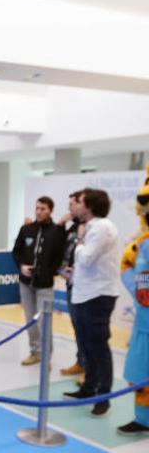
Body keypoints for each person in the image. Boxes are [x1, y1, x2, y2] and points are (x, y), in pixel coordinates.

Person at [63, 188, 121, 417]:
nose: (74, 206)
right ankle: (89, 388)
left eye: (80, 203)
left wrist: (78, 242)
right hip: (85, 293)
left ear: (90, 206)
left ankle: (103, 396)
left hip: (98, 295)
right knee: (86, 345)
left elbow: (87, 258)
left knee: (98, 347)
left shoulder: (102, 227)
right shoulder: (92, 227)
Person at [11, 196, 66, 366]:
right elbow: (16, 251)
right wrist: (21, 266)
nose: (39, 212)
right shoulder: (26, 229)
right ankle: (34, 351)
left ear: (50, 210)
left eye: (43, 209)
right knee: (30, 319)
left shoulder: (57, 232)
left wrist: (49, 272)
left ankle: (45, 356)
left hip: (45, 284)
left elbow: (60, 257)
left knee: (44, 321)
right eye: (37, 208)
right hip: (26, 283)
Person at [117, 168, 149, 435]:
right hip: (143, 322)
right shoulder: (142, 245)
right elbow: (134, 276)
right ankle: (143, 418)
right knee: (139, 372)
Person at [57, 192, 85, 378]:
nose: (69, 208)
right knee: (77, 326)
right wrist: (60, 226)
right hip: (70, 284)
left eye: (72, 204)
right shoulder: (72, 228)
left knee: (86, 328)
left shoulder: (92, 228)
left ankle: (90, 369)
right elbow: (61, 248)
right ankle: (81, 362)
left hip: (85, 287)